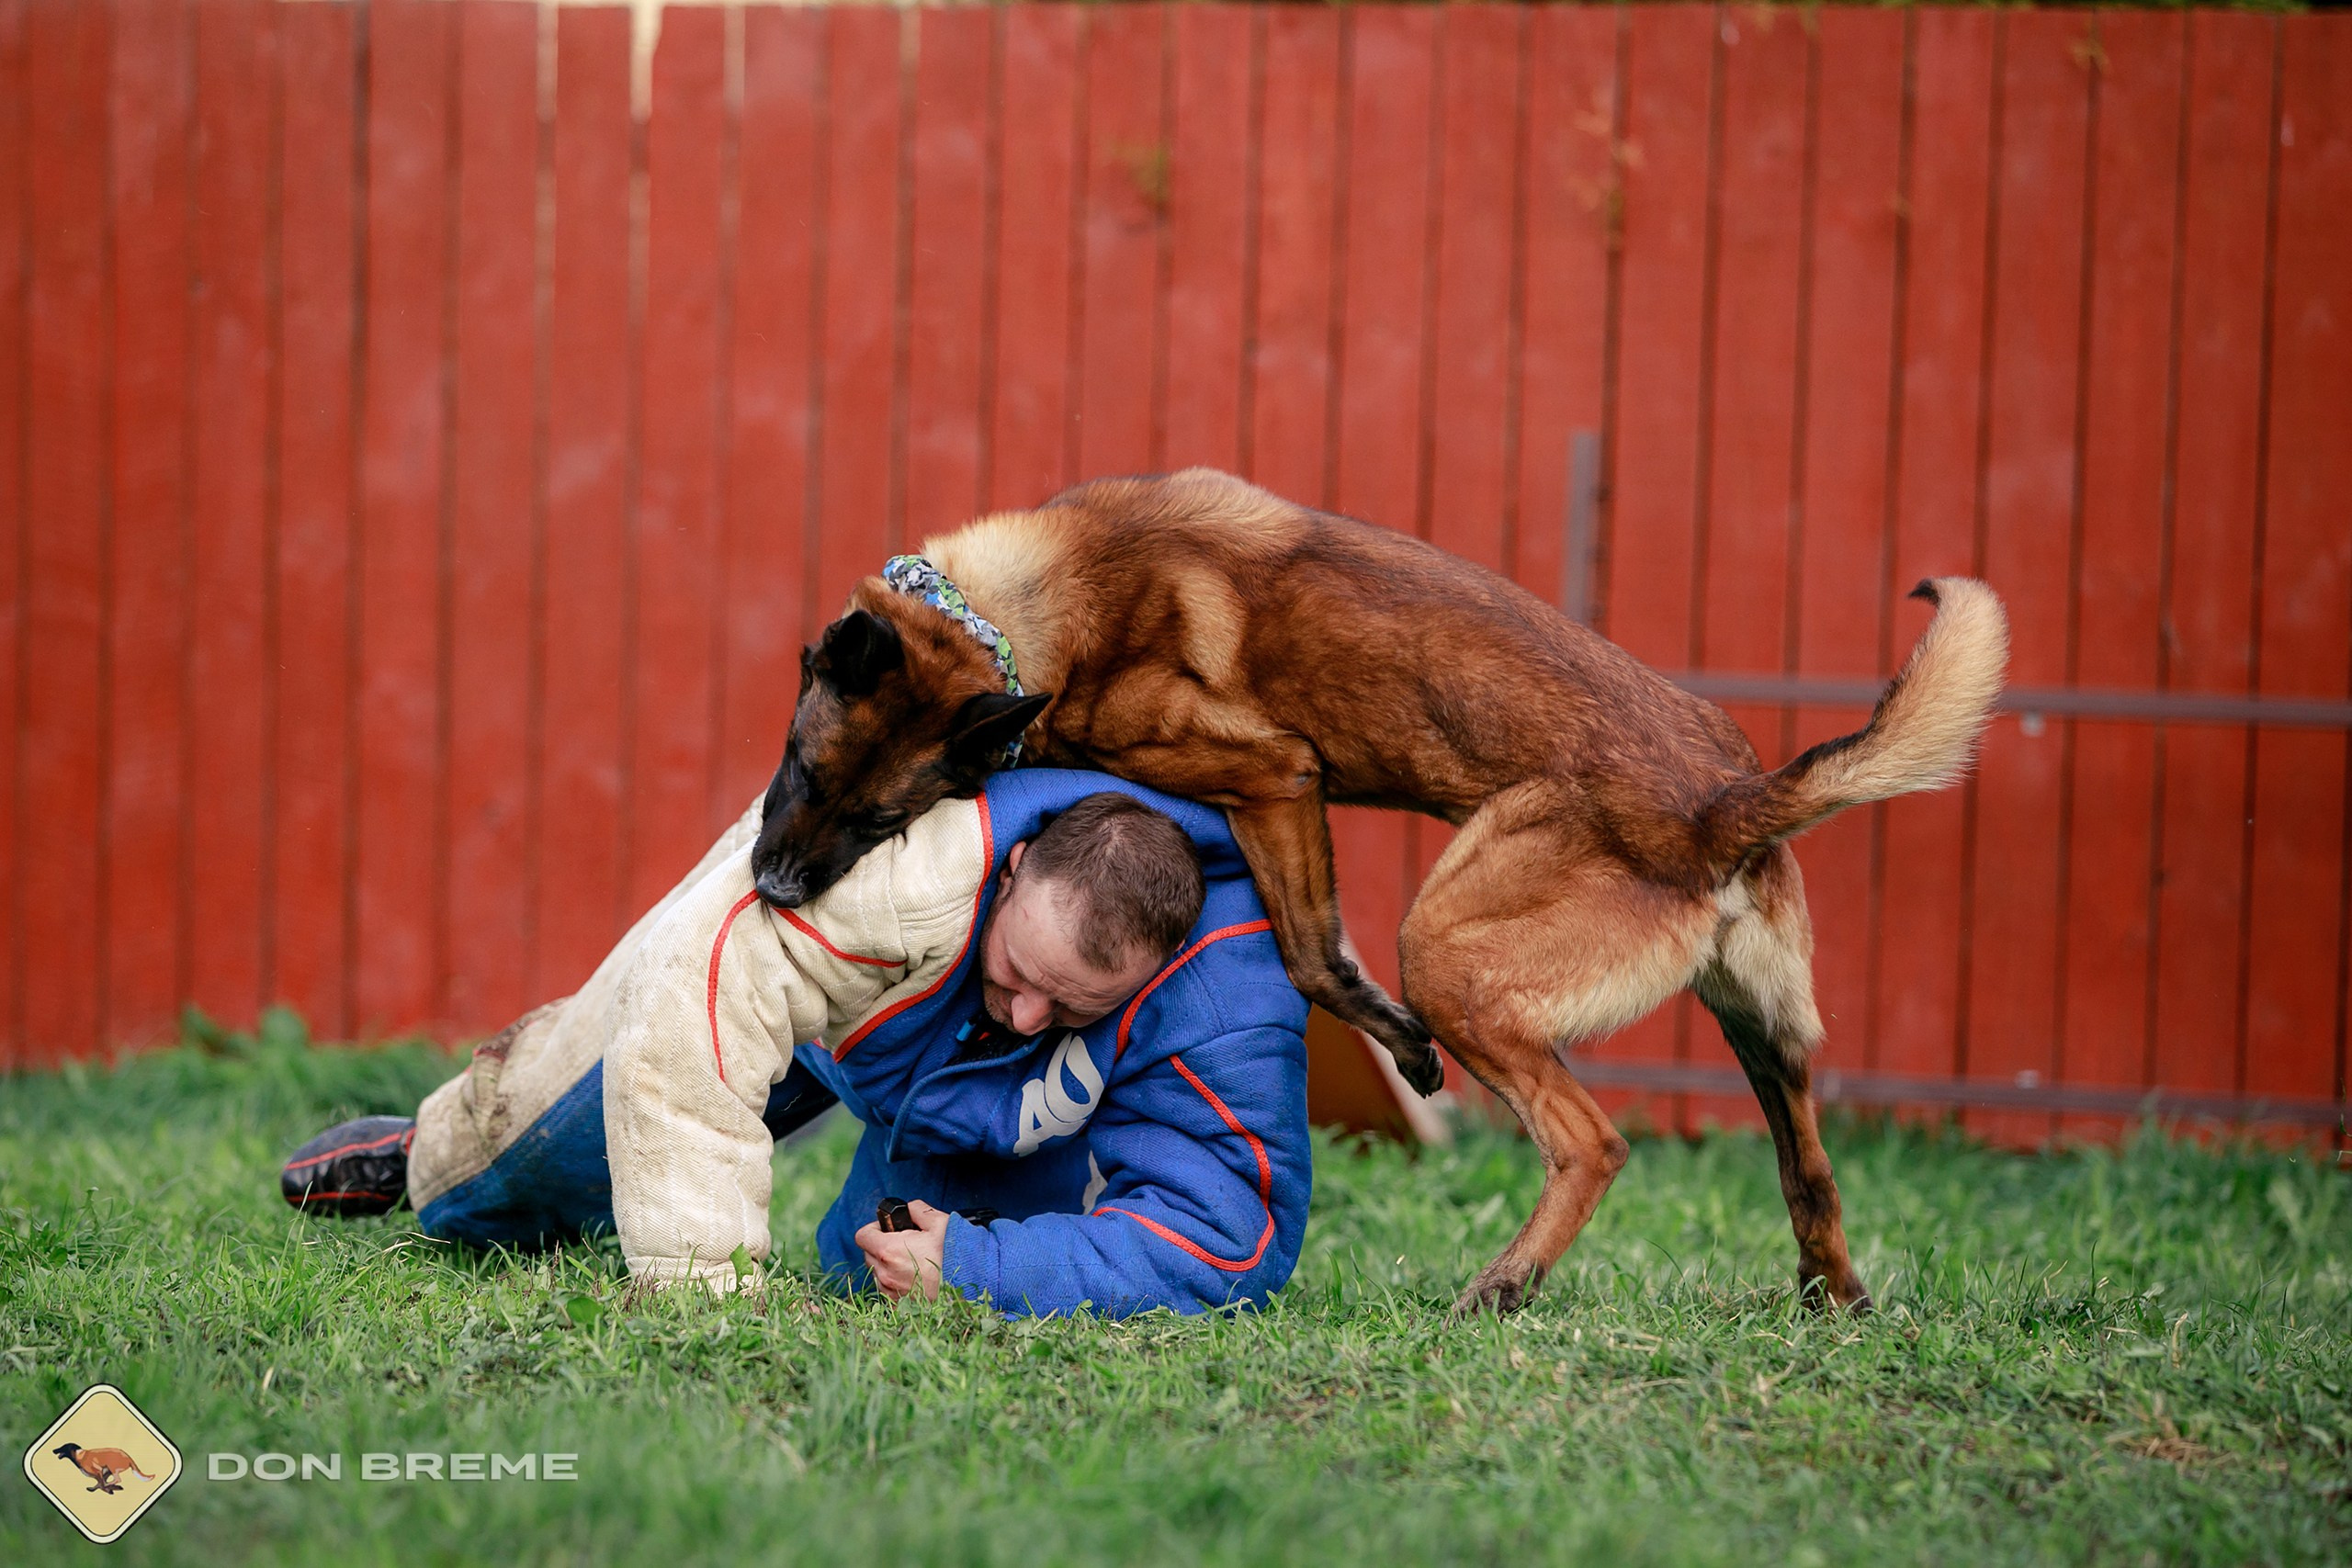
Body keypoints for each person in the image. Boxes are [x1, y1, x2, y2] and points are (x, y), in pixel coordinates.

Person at [279, 773, 1311, 1317]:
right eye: (1018, 977)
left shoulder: (1228, 1000)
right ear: (1013, 869)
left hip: (987, 1111)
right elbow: (697, 1008)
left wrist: (986, 1269)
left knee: (860, 1276)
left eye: (1074, 1005)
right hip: (844, 1013)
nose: (1031, 1014)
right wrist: (697, 1284)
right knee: (551, 1140)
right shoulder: (893, 876)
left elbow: (1224, 1237)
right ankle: (424, 1157)